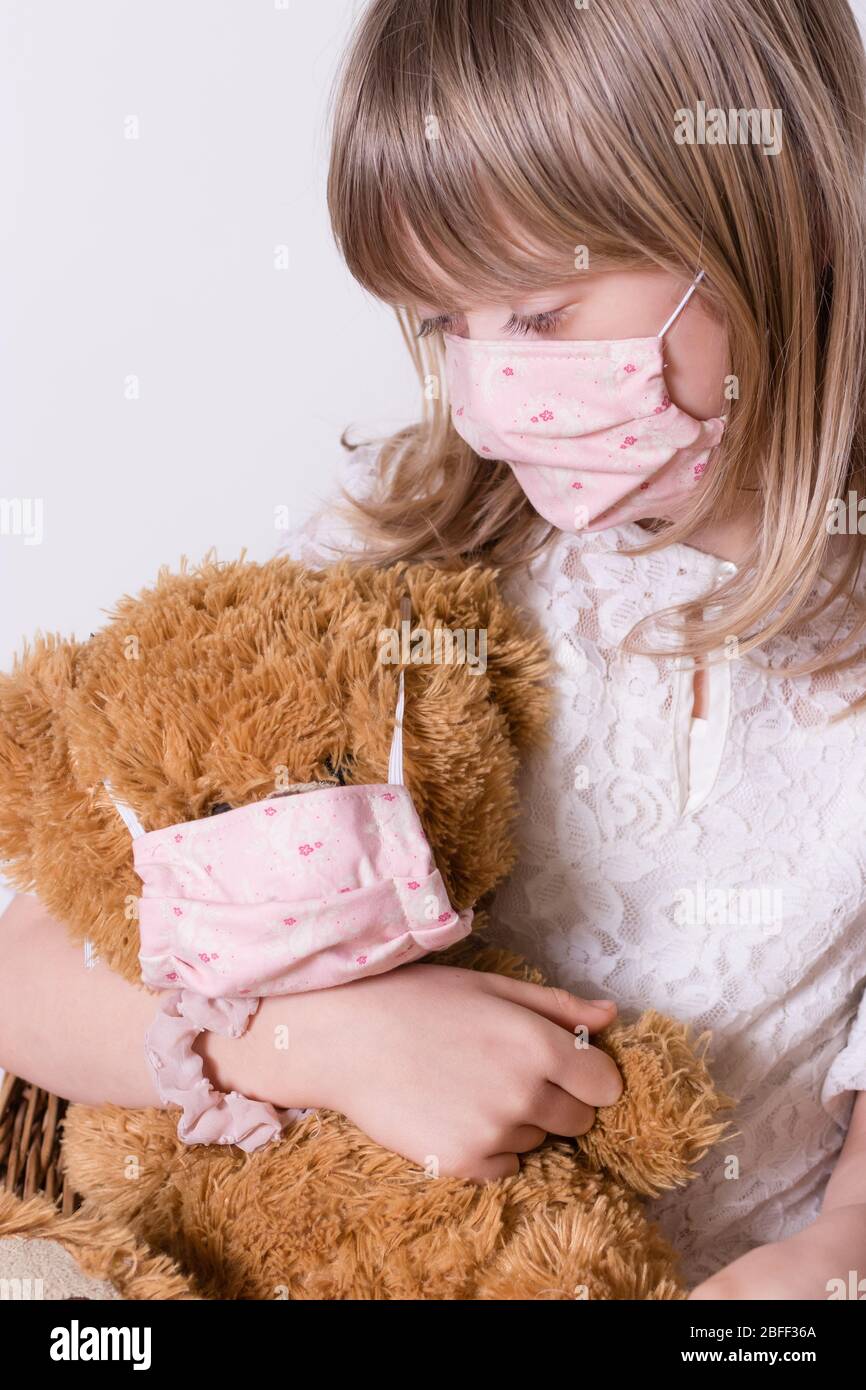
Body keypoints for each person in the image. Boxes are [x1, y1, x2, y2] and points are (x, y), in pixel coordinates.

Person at [3, 0, 866, 1296]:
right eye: (444, 324)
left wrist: (833, 1255)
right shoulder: (427, 584)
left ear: (786, 219)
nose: (482, 391)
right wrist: (326, 1042)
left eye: (534, 315)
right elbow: (30, 971)